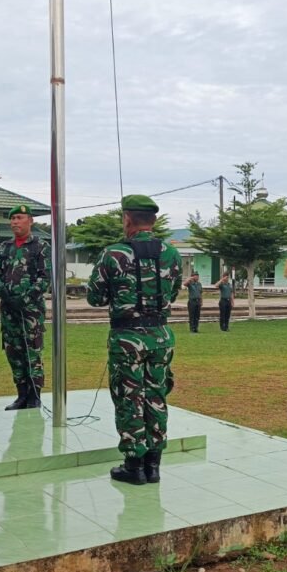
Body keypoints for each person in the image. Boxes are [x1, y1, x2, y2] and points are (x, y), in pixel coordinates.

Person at [87, 194, 182, 484]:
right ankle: (154, 465)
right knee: (156, 398)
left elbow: (95, 297)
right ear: (152, 220)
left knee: (130, 398)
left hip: (127, 339)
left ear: (127, 219)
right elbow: (174, 292)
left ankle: (134, 466)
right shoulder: (171, 253)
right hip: (161, 337)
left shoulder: (114, 253)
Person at [0, 204, 52, 410]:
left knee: (32, 351)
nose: (15, 222)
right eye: (13, 218)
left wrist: (23, 299)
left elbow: (45, 279)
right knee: (13, 352)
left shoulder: (40, 246)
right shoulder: (3, 248)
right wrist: (4, 293)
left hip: (30, 311)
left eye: (19, 217)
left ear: (30, 221)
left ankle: (35, 396)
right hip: (8, 311)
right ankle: (21, 394)